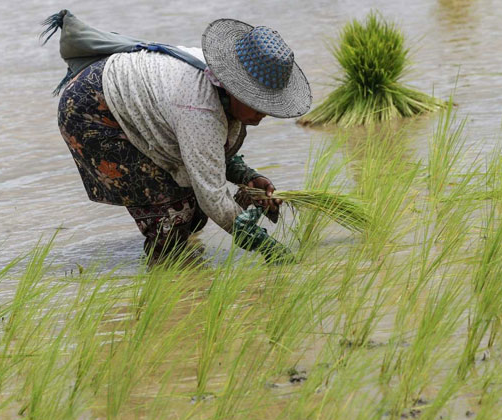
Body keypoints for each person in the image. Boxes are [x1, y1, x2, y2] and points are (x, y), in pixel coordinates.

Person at [53, 16, 312, 264]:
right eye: (256, 103)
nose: (263, 113)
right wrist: (267, 248)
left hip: (140, 100)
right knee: (174, 214)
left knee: (194, 215)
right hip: (93, 111)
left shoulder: (219, 90)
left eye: (268, 104)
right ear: (232, 88)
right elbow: (212, 195)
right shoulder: (199, 109)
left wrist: (248, 177)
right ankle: (163, 262)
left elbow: (210, 154)